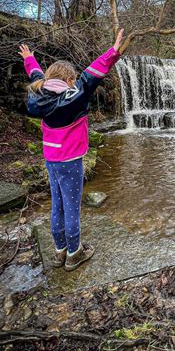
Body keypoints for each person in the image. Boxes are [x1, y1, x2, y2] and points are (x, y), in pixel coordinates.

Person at [18, 29, 124, 271]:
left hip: (51, 159)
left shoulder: (38, 93)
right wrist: (114, 52)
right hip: (71, 160)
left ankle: (59, 252)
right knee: (72, 208)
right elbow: (92, 75)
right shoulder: (73, 97)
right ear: (68, 81)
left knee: (57, 205)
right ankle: (74, 254)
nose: (75, 83)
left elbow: (37, 74)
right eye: (73, 80)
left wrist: (29, 59)